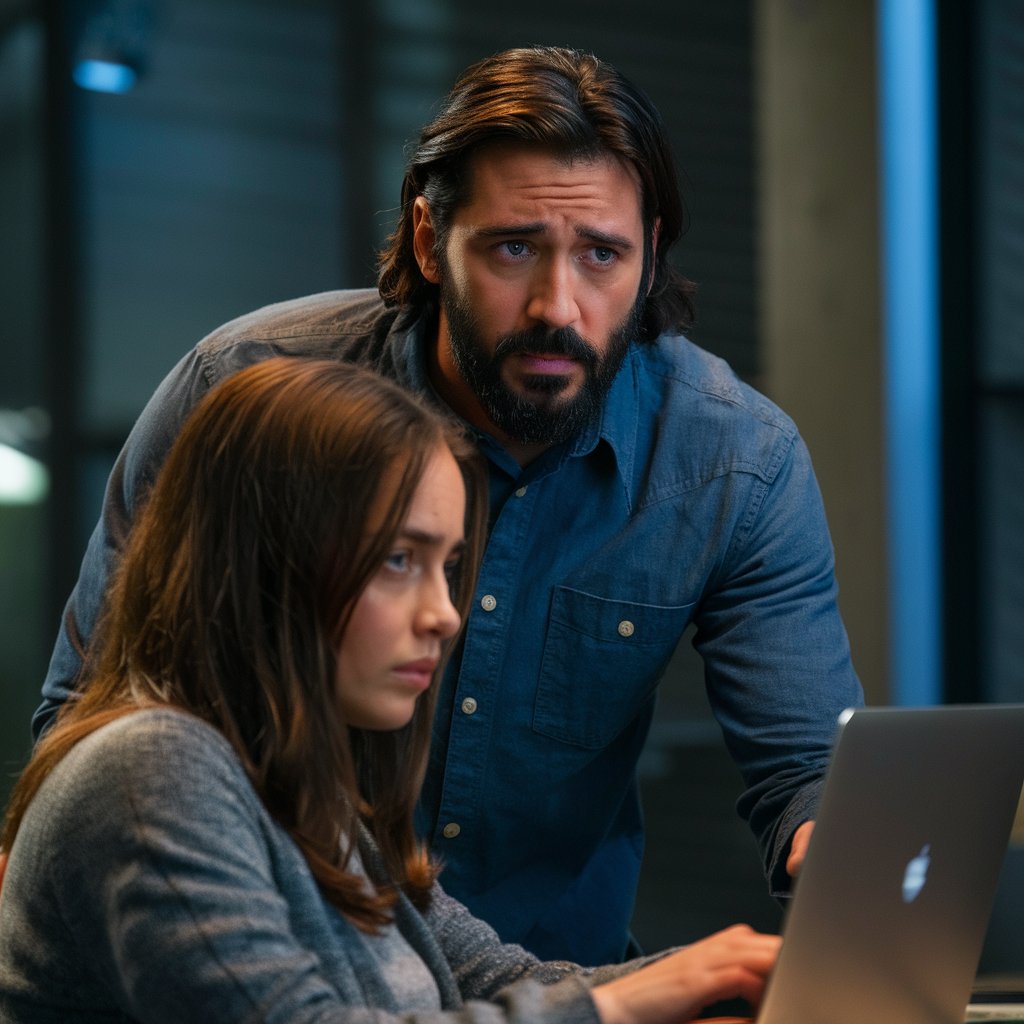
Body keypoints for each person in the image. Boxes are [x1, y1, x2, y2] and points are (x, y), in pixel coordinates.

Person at [32, 45, 863, 965]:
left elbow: (807, 773)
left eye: (602, 255)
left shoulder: (733, 461)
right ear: (431, 241)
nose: (559, 304)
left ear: (650, 254)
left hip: (559, 974)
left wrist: (850, 861)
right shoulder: (248, 395)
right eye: (515, 247)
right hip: (277, 962)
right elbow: (98, 718)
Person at [0, 357, 781, 1022]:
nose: (446, 616)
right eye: (399, 560)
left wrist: (741, 972)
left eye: (446, 567)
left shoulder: (297, 788)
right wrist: (614, 1011)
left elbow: (498, 982)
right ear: (267, 565)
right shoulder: (150, 769)